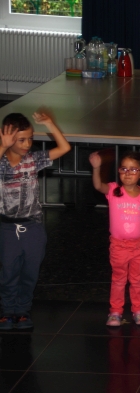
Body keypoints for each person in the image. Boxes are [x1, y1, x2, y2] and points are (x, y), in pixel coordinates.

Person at [0, 111, 71, 330]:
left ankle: (23, 310)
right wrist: (3, 146)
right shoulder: (2, 163)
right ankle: (7, 310)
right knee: (8, 272)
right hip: (7, 228)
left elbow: (64, 148)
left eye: (30, 139)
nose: (27, 144)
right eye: (21, 140)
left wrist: (50, 123)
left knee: (30, 271)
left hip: (33, 227)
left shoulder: (33, 159)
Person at [89, 150, 140, 327]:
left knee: (137, 280)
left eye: (133, 170)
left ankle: (139, 310)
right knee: (118, 280)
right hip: (118, 246)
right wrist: (96, 168)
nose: (127, 173)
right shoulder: (113, 190)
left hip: (139, 246)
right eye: (124, 169)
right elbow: (98, 186)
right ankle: (115, 312)